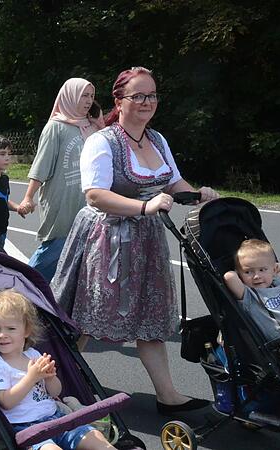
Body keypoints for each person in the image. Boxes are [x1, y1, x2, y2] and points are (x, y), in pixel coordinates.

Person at [51, 67, 219, 414]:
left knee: (150, 317)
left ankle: (167, 395)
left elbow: (174, 183)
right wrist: (144, 206)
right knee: (87, 317)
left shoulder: (157, 140)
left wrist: (198, 194)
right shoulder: (102, 141)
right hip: (108, 240)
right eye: (138, 96)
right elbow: (95, 196)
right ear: (119, 101)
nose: (147, 102)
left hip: (148, 240)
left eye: (152, 95)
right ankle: (57, 387)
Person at [0, 290, 116, 450]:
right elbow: (6, 402)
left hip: (55, 418)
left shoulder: (33, 355)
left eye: (10, 328)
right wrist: (31, 378)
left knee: (95, 438)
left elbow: (54, 392)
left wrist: (50, 378)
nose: (2, 335)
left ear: (26, 331)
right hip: (27, 428)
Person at [17, 78, 98, 281]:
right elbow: (41, 165)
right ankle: (23, 288)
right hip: (62, 200)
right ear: (70, 96)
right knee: (54, 249)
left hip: (88, 201)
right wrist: (28, 197)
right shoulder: (56, 127)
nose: (88, 101)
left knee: (81, 253)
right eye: (83, 95)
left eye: (91, 96)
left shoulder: (92, 126)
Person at [224, 239, 280, 342]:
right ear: (240, 274)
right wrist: (240, 274)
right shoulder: (248, 295)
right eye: (248, 272)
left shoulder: (277, 282)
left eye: (261, 270)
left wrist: (274, 268)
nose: (256, 276)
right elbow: (229, 277)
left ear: (274, 270)